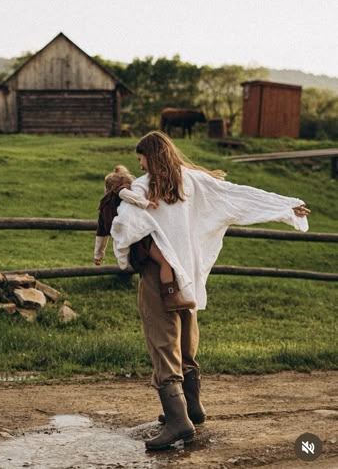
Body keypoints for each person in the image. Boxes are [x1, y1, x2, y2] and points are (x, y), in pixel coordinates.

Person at [110, 131, 310, 450]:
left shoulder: (144, 187)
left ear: (150, 156)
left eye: (141, 160)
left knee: (162, 342)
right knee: (186, 337)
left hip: (157, 275)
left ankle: (177, 421)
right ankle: (192, 406)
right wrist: (287, 206)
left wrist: (121, 225)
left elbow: (125, 227)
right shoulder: (193, 181)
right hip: (186, 273)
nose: (141, 166)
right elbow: (237, 195)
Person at [94, 165, 196, 310]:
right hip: (142, 240)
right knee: (165, 261)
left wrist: (98, 254)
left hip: (132, 246)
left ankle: (123, 260)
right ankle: (171, 297)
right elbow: (127, 195)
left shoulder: (104, 207)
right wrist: (146, 203)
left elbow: (101, 234)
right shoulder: (121, 192)